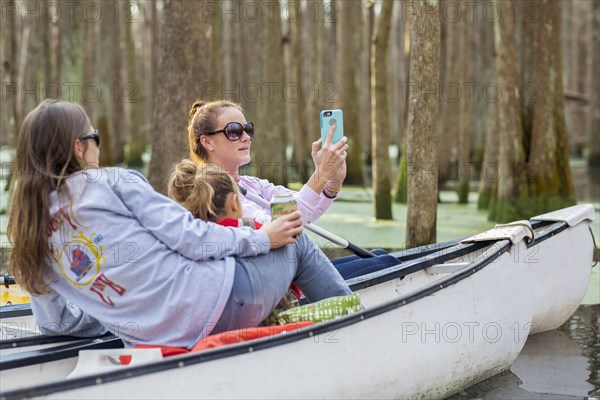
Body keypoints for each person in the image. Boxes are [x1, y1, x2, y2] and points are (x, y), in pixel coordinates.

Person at [7, 99, 351, 349]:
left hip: (153, 340)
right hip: (223, 303)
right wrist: (265, 239)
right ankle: (356, 330)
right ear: (78, 147)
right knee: (296, 237)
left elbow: (55, 323)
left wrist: (123, 316)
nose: (98, 143)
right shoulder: (112, 182)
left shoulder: (29, 234)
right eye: (94, 135)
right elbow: (190, 237)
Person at [187, 100, 349, 224]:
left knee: (376, 257)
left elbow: (305, 207)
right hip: (268, 267)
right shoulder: (212, 193)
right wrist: (320, 175)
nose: (246, 137)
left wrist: (332, 183)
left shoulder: (252, 184)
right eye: (234, 131)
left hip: (290, 265)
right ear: (207, 142)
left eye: (248, 130)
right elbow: (278, 226)